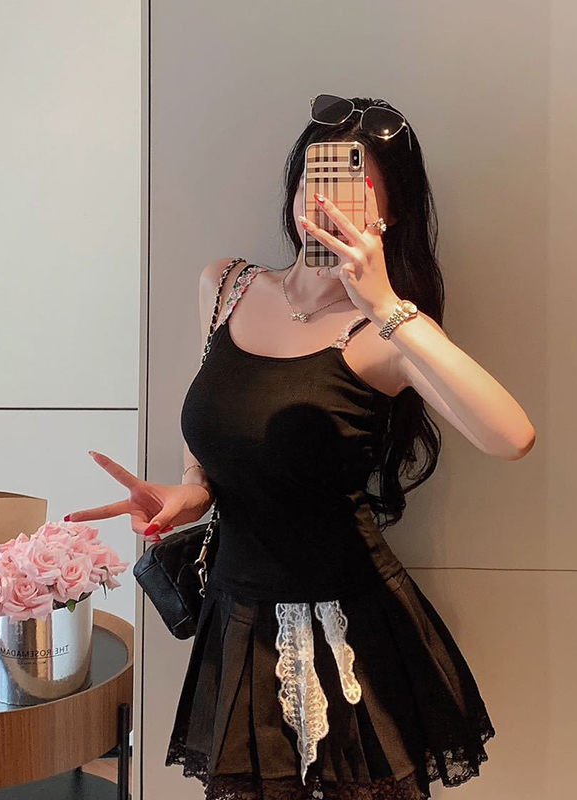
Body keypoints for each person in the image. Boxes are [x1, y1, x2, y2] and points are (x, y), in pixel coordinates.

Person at [66, 95, 535, 800]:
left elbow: (511, 436)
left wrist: (386, 305)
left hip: (350, 631)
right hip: (236, 619)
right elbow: (214, 445)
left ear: (389, 212)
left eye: (350, 184)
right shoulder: (225, 287)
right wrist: (189, 491)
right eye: (314, 177)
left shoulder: (387, 335)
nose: (324, 199)